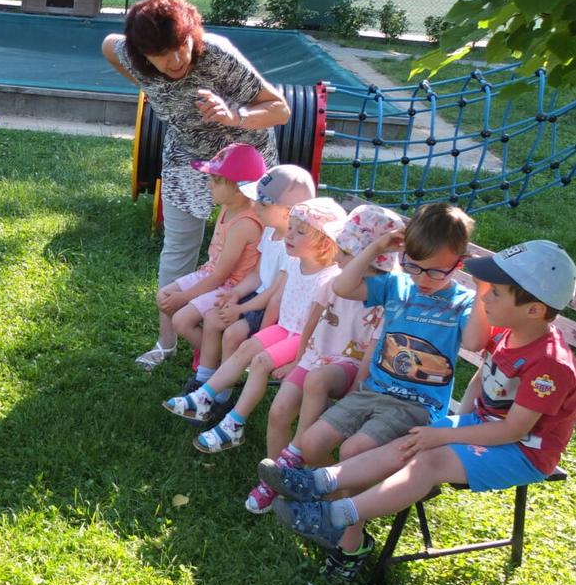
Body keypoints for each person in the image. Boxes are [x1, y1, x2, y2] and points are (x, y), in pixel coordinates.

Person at [266, 240, 576, 565]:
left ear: (534, 310)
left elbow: (513, 431)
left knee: (431, 461)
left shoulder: (550, 365)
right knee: (411, 444)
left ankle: (334, 515)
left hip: (524, 451)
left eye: (496, 292)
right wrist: (463, 419)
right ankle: (318, 481)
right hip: (485, 426)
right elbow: (482, 376)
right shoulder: (508, 331)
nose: (484, 297)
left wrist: (446, 434)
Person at [257, 201, 489, 581]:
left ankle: (345, 533)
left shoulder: (460, 303)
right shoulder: (397, 285)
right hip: (372, 391)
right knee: (312, 442)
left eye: (433, 270)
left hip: (416, 405)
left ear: (457, 265)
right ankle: (330, 512)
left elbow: (478, 341)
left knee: (352, 451)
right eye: (414, 265)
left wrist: (481, 291)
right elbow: (342, 285)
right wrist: (377, 248)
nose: (421, 277)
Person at [103, 0, 291, 370]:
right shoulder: (133, 55)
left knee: (261, 256)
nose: (175, 60)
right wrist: (148, 84)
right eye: (161, 55)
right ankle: (166, 343)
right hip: (187, 160)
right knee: (178, 250)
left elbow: (280, 110)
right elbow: (109, 44)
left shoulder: (217, 56)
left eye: (181, 46)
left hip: (245, 168)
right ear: (143, 54)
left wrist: (233, 114)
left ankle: (261, 339)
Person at [243, 204, 404, 513]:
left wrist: (356, 390)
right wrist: (297, 361)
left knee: (316, 382)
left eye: (344, 249)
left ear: (366, 257)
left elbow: (372, 349)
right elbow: (311, 325)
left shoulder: (383, 297)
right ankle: (278, 481)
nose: (337, 254)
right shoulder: (333, 282)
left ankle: (293, 460)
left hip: (350, 369)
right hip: (315, 358)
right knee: (278, 412)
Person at [167, 198, 346, 455]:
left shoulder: (329, 279)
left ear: (324, 241)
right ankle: (204, 396)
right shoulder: (293, 263)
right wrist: (262, 332)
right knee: (247, 348)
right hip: (285, 328)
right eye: (291, 228)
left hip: (305, 338)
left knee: (261, 361)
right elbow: (275, 297)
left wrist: (295, 362)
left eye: (300, 231)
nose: (290, 235)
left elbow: (318, 328)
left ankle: (234, 423)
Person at [189, 165, 316, 403]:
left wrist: (241, 310)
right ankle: (204, 379)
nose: (255, 206)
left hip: (274, 310)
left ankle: (221, 398)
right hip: (256, 298)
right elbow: (257, 275)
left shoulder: (292, 247)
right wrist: (236, 294)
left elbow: (273, 294)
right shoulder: (269, 231)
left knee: (232, 335)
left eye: (263, 204)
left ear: (288, 212)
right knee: (212, 318)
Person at [157, 143, 265, 359]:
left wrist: (185, 297)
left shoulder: (245, 224)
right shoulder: (228, 206)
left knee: (181, 320)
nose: (209, 185)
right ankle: (211, 350)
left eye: (215, 180)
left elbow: (221, 276)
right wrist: (181, 296)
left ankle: (218, 363)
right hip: (211, 273)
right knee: (164, 295)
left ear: (237, 188)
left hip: (230, 286)